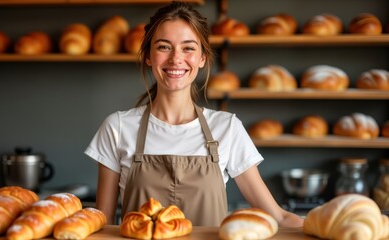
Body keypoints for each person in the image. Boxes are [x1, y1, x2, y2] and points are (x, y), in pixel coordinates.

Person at [85, 1, 304, 227]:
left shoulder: (227, 127)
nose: (175, 58)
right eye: (163, 46)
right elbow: (103, 224)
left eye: (188, 48)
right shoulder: (118, 127)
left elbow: (278, 217)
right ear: (148, 56)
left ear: (202, 58)